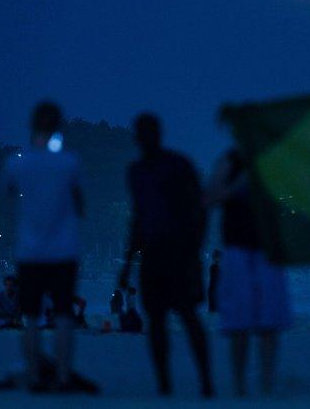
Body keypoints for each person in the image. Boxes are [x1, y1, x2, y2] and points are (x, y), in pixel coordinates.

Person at [118, 113, 213, 397]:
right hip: (153, 256)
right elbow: (138, 219)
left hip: (179, 254)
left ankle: (205, 382)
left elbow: (201, 206)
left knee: (187, 317)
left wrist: (195, 247)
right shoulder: (136, 172)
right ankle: (165, 383)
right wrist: (127, 262)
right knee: (158, 321)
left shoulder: (178, 165)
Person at [2, 101, 86, 391]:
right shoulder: (70, 162)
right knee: (63, 316)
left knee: (31, 317)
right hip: (64, 251)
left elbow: (9, 191)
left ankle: (35, 375)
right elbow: (79, 202)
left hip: (30, 251)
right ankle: (63, 375)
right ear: (59, 126)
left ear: (32, 126)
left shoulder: (17, 162)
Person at [205, 149, 293, 397]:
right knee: (239, 325)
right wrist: (237, 181)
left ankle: (266, 383)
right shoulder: (229, 161)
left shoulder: (272, 159)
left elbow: (291, 194)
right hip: (238, 250)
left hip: (267, 251)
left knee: (269, 325)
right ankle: (240, 385)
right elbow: (209, 198)